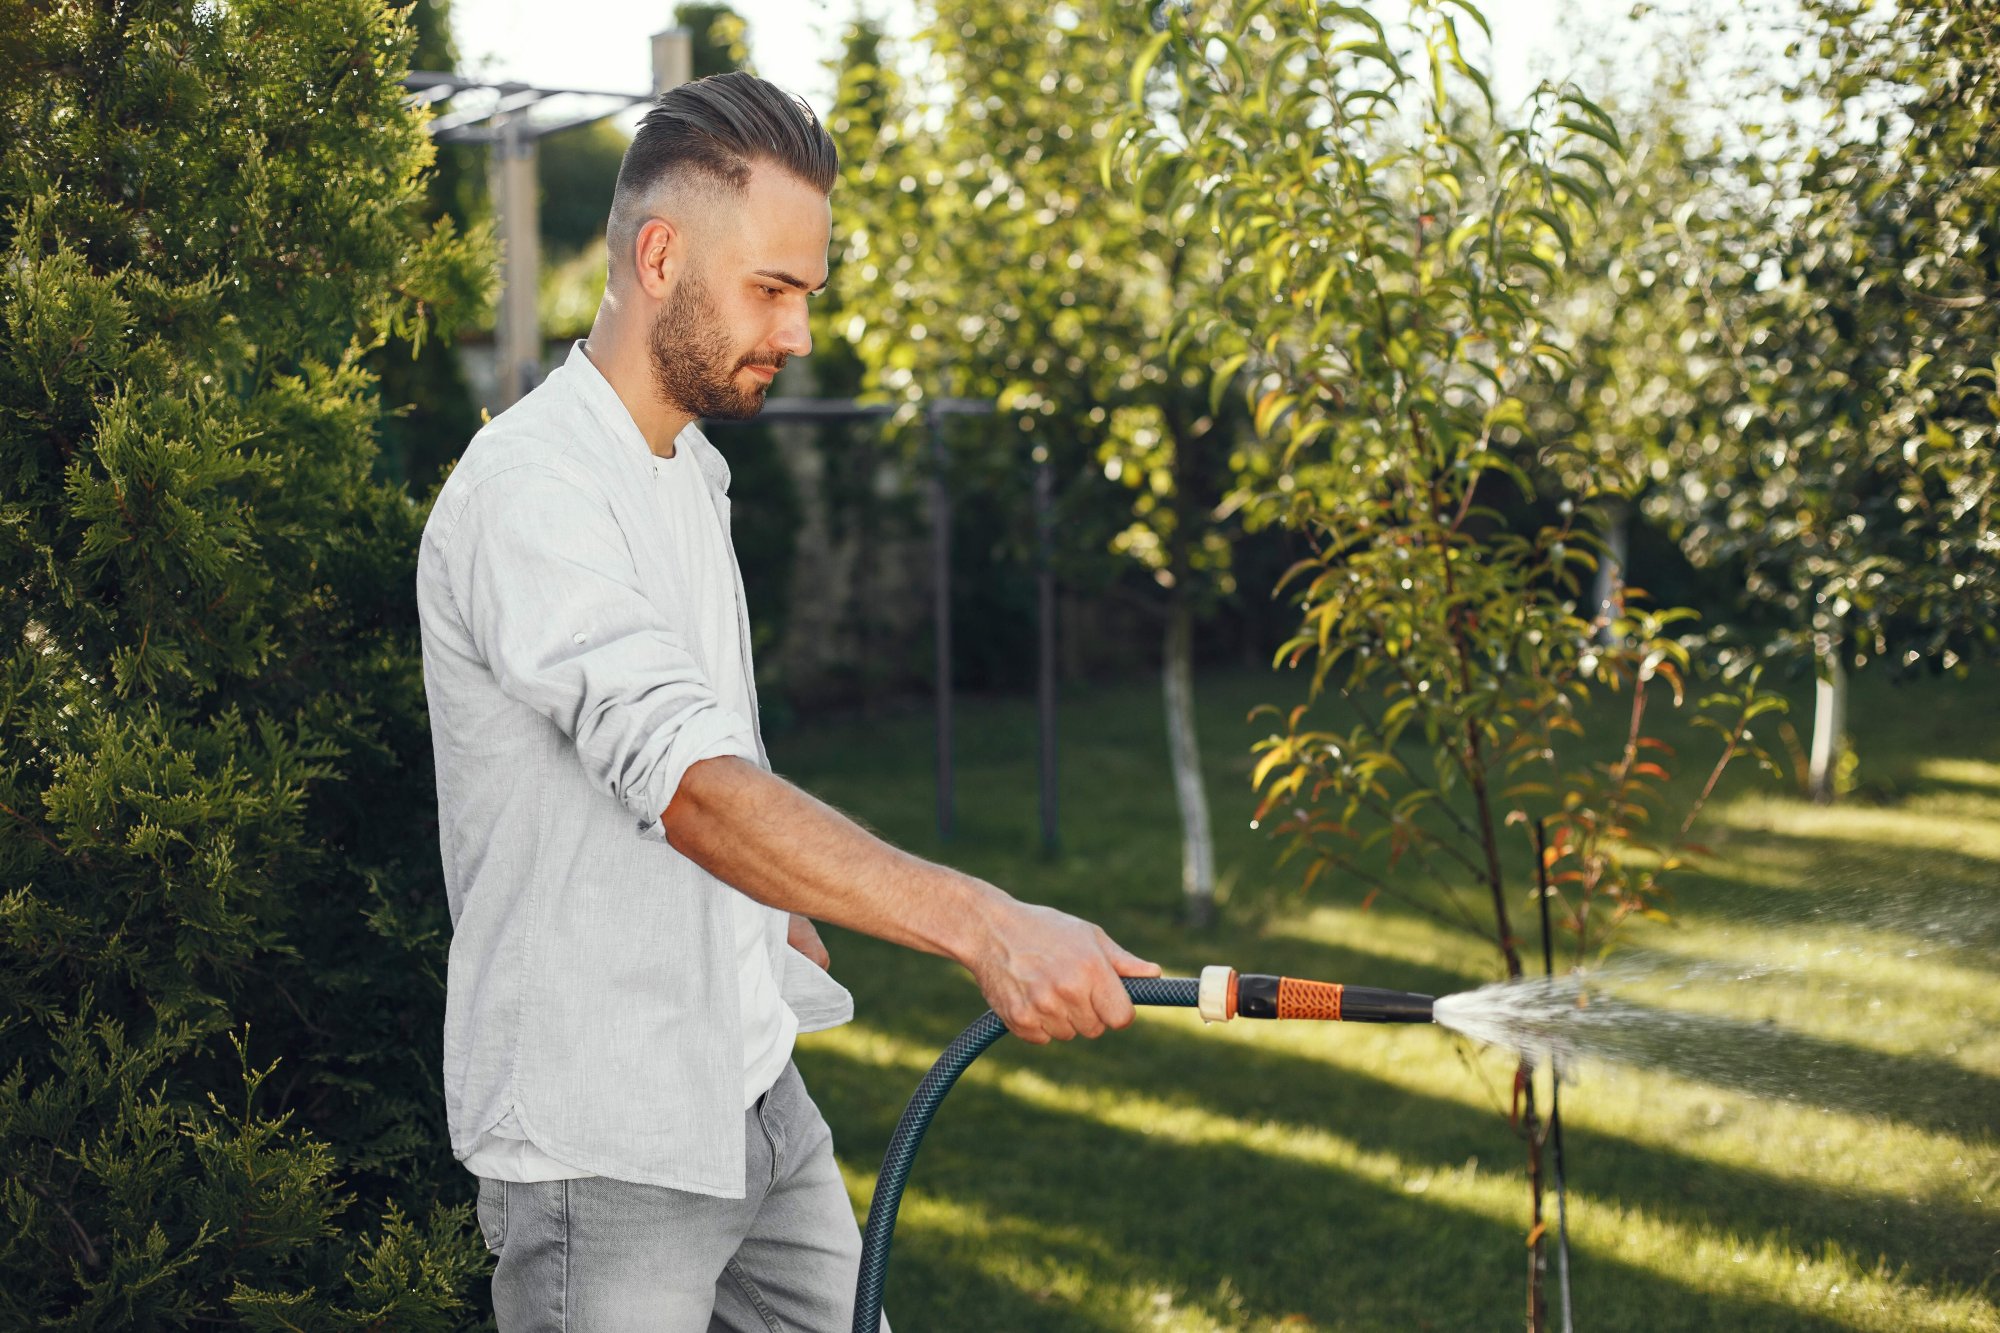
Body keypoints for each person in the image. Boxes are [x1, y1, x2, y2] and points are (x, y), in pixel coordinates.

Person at [415, 71, 1160, 1332]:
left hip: (750, 1089)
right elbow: (689, 786)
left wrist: (759, 918)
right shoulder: (530, 493)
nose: (800, 331)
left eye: (805, 292)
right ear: (660, 255)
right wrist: (985, 925)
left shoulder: (686, 470)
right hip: (609, 1147)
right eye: (773, 289)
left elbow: (709, 758)